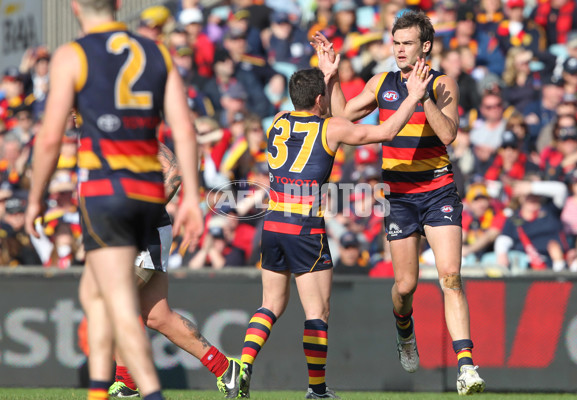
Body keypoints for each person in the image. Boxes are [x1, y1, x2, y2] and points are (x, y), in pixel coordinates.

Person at [24, 2, 203, 400]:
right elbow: (185, 130)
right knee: (104, 297)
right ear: (119, 5)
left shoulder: (74, 55)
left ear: (74, 7)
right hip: (146, 196)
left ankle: (131, 390)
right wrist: (191, 195)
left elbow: (49, 139)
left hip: (107, 194)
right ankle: (115, 389)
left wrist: (35, 198)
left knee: (110, 300)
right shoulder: (154, 52)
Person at [238, 56, 433, 399]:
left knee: (269, 305)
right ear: (319, 100)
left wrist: (330, 77)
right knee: (317, 312)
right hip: (305, 226)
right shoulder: (330, 127)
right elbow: (386, 132)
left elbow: (320, 122)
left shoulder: (279, 121)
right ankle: (316, 390)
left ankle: (243, 363)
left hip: (272, 222)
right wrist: (414, 97)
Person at [312, 9, 486, 395]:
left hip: (438, 189)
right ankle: (404, 329)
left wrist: (420, 98)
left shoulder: (443, 84)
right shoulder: (382, 82)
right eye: (396, 43)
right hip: (399, 196)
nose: (399, 50)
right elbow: (343, 113)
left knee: (450, 277)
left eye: (407, 43)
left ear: (425, 46)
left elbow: (448, 134)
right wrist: (332, 76)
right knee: (405, 286)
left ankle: (466, 365)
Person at [107, 143, 243, 398]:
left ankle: (127, 383)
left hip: (143, 233)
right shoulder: (92, 130)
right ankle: (226, 368)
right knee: (158, 317)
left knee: (112, 303)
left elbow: (175, 169)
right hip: (123, 233)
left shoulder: (125, 123)